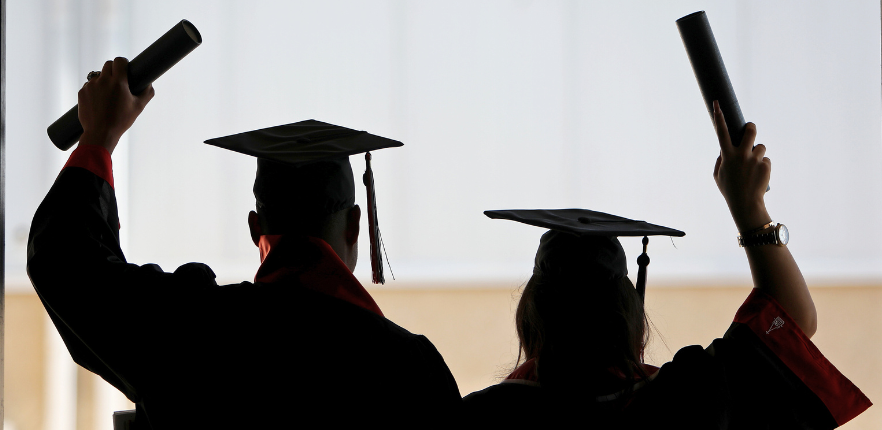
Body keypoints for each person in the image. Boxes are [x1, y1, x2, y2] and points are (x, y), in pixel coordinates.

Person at [27, 57, 461, 429]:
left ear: (256, 228)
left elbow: (66, 261)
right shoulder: (412, 369)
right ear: (354, 227)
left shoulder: (195, 331)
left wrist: (98, 136)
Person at [461, 100, 871, 428]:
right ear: (627, 316)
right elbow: (791, 322)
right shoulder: (683, 400)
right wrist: (749, 206)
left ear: (532, 315)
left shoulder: (482, 417)